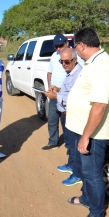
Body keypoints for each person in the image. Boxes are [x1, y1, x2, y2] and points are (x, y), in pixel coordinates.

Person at [66, 28, 109, 217]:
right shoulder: (93, 63)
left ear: (81, 45)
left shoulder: (102, 66)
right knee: (85, 171)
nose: (75, 51)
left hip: (94, 133)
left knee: (93, 173)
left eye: (75, 47)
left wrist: (86, 136)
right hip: (83, 129)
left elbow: (100, 106)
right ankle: (88, 198)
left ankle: (97, 214)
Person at [46, 48, 83, 186]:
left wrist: (56, 96)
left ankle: (77, 174)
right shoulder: (70, 72)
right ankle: (71, 165)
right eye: (61, 62)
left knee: (75, 145)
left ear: (75, 60)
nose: (64, 65)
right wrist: (58, 89)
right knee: (69, 143)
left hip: (72, 115)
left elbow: (76, 97)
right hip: (65, 114)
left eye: (67, 62)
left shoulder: (78, 74)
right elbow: (68, 91)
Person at [42, 33, 69, 150]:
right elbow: (49, 73)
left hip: (67, 95)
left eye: (60, 45)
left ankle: (70, 146)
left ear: (67, 43)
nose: (58, 48)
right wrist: (50, 85)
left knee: (67, 123)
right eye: (56, 46)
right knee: (52, 119)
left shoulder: (74, 55)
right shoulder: (54, 56)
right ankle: (53, 141)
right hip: (54, 94)